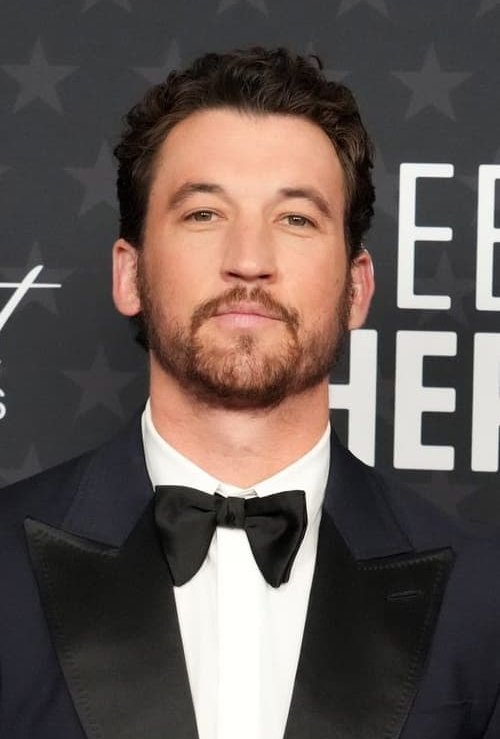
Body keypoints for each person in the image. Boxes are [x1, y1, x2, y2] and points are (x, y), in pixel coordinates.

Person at [1, 47, 499, 739]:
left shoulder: (482, 599)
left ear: (357, 288)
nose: (249, 261)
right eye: (204, 213)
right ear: (129, 274)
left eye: (296, 219)